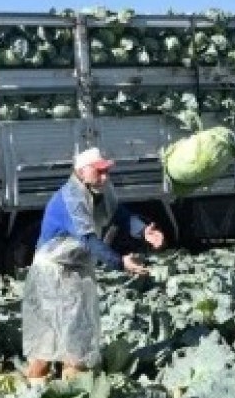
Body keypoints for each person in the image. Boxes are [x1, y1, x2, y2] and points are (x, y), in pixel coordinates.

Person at [22, 147, 166, 381]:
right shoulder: (71, 198)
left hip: (77, 270)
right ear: (81, 171)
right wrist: (120, 262)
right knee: (47, 339)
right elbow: (88, 240)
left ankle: (72, 385)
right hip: (53, 272)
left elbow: (119, 213)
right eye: (99, 172)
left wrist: (143, 230)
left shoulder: (101, 189)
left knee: (78, 334)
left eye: (106, 171)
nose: (105, 176)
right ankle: (36, 388)